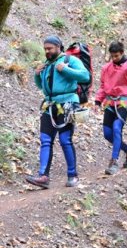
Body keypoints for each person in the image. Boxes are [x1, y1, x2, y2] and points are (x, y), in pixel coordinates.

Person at [26, 35, 90, 189]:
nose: (47, 51)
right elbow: (42, 87)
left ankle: (72, 175)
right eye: (45, 49)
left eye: (50, 48)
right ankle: (43, 176)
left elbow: (85, 76)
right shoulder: (48, 64)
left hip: (67, 104)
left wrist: (66, 69)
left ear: (59, 47)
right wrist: (36, 75)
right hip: (49, 105)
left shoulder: (70, 60)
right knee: (45, 140)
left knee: (65, 140)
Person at [94, 41, 127, 175]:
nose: (114, 59)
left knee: (117, 128)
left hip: (124, 104)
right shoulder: (106, 68)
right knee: (108, 134)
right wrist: (97, 101)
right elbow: (102, 86)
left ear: (122, 53)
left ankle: (114, 161)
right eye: (112, 56)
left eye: (117, 56)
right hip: (109, 103)